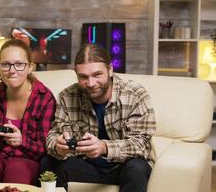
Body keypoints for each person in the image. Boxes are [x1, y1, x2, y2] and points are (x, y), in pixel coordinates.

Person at [45, 43, 156, 192]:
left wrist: (104, 147)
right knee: (48, 163)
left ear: (110, 70)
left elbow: (142, 145)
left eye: (97, 75)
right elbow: (53, 135)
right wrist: (58, 147)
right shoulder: (67, 96)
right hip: (88, 165)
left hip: (124, 166)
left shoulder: (134, 94)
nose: (90, 83)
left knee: (136, 168)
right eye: (83, 77)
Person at [0, 39, 56, 185]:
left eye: (19, 64)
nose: (12, 70)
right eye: (6, 64)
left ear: (30, 67)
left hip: (26, 159)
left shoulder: (44, 97)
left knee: (17, 170)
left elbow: (47, 150)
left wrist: (22, 141)